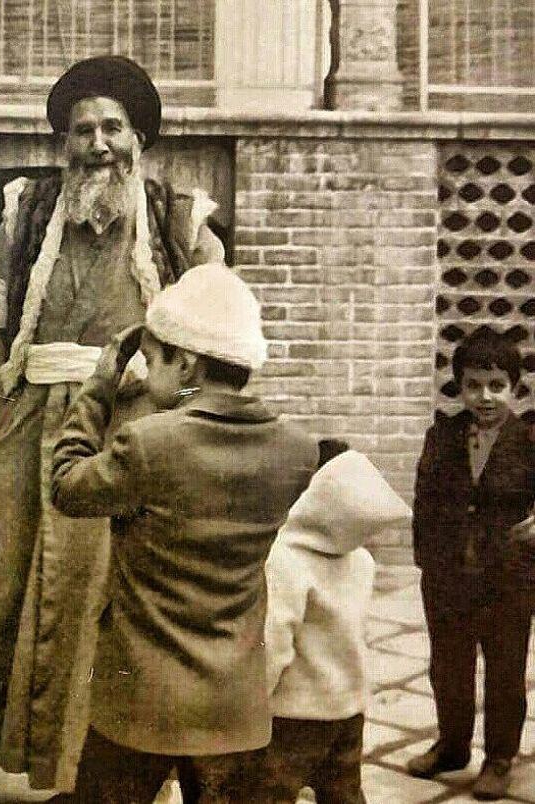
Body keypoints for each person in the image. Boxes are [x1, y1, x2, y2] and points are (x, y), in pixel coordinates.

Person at [0, 55, 224, 792]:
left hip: (131, 427)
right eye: (82, 130)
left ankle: (115, 768)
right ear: (64, 141)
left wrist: (176, 407)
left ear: (138, 137)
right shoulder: (26, 212)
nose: (98, 144)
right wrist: (7, 398)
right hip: (33, 424)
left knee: (112, 594)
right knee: (17, 584)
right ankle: (47, 757)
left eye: (112, 128)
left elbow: (214, 328)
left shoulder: (179, 217)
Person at [48, 263, 319, 801]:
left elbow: (65, 484)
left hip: (140, 702)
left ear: (187, 362)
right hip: (233, 705)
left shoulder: (148, 444)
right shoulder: (298, 450)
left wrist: (101, 382)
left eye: (153, 360)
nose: (147, 373)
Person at [407, 326, 535, 800]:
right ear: (459, 386)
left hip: (508, 580)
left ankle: (499, 758)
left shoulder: (529, 440)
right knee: (448, 667)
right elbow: (424, 503)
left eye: (497, 385)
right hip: (448, 578)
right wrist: (427, 564)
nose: (485, 397)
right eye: (474, 385)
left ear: (515, 388)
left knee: (504, 671)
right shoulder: (441, 436)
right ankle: (452, 745)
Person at [263, 445, 411, 803]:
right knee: (343, 791)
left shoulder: (284, 561)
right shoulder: (362, 561)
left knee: (272, 792)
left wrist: (255, 700)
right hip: (347, 708)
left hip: (294, 713)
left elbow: (275, 641)